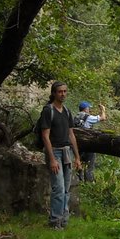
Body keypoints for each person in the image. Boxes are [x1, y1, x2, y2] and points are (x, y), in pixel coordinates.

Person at [38, 81, 81, 229]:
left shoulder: (67, 111)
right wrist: (52, 159)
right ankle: (55, 221)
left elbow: (71, 135)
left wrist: (77, 157)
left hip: (67, 151)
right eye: (60, 92)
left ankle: (64, 220)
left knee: (67, 188)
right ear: (54, 93)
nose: (63, 94)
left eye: (65, 91)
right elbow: (45, 136)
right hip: (54, 151)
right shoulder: (48, 111)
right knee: (59, 188)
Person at [74, 101, 106, 182]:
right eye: (88, 108)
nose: (89, 110)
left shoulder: (76, 117)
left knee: (79, 165)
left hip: (78, 146)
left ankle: (79, 182)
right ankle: (88, 184)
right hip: (88, 146)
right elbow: (103, 118)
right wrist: (103, 110)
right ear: (86, 109)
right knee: (89, 167)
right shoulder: (88, 117)